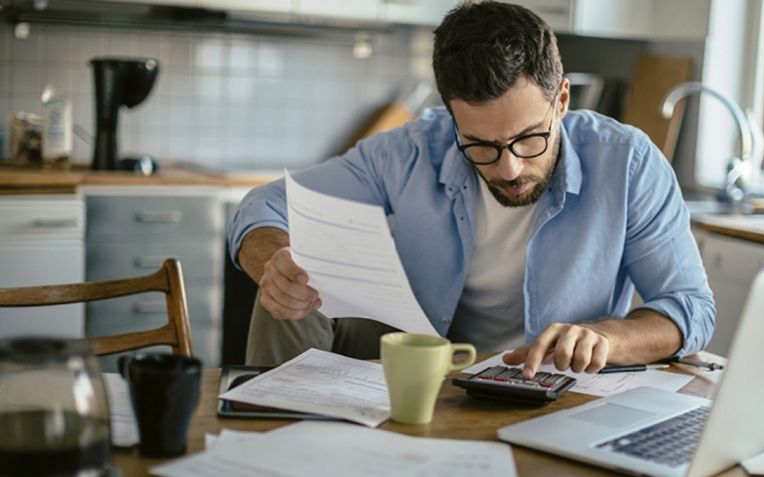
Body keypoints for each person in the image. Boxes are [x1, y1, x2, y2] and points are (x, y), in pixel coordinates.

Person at [228, 0, 715, 378]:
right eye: (479, 144)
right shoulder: (413, 149)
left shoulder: (628, 162)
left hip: (547, 379)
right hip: (420, 355)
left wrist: (605, 339)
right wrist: (275, 260)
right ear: (452, 118)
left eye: (529, 138)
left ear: (561, 99)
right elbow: (263, 204)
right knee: (292, 273)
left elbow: (689, 307)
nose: (508, 167)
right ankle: (272, 440)